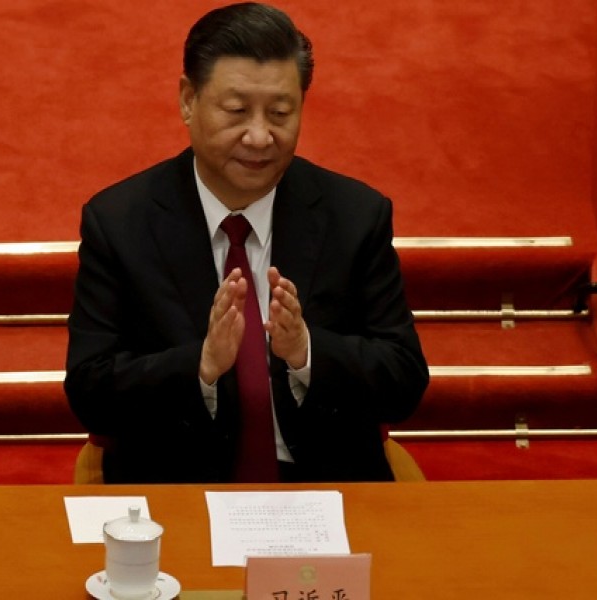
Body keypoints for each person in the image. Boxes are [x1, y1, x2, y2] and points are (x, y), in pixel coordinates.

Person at [64, 2, 429, 483]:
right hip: (178, 488)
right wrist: (200, 366)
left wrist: (307, 352)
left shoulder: (354, 215)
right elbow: (89, 391)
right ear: (188, 100)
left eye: (280, 113)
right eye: (237, 111)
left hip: (326, 489)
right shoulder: (120, 222)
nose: (260, 137)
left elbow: (405, 381)